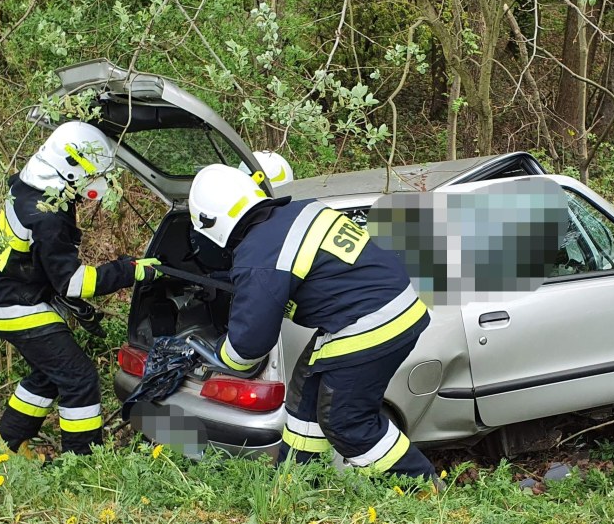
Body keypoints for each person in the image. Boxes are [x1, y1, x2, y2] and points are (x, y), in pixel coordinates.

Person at [187, 163, 438, 481]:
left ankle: (423, 487)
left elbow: (246, 348)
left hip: (371, 322)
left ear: (213, 223)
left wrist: (214, 352)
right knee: (305, 398)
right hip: (380, 311)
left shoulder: (259, 256)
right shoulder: (298, 211)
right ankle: (296, 485)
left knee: (347, 423)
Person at [0, 121, 159, 457]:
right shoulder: (47, 214)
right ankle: (82, 460)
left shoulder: (27, 189)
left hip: (6, 300)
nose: (97, 185)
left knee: (49, 374)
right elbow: (73, 282)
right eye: (94, 176)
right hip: (19, 307)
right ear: (71, 169)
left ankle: (11, 443)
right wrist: (128, 271)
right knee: (79, 378)